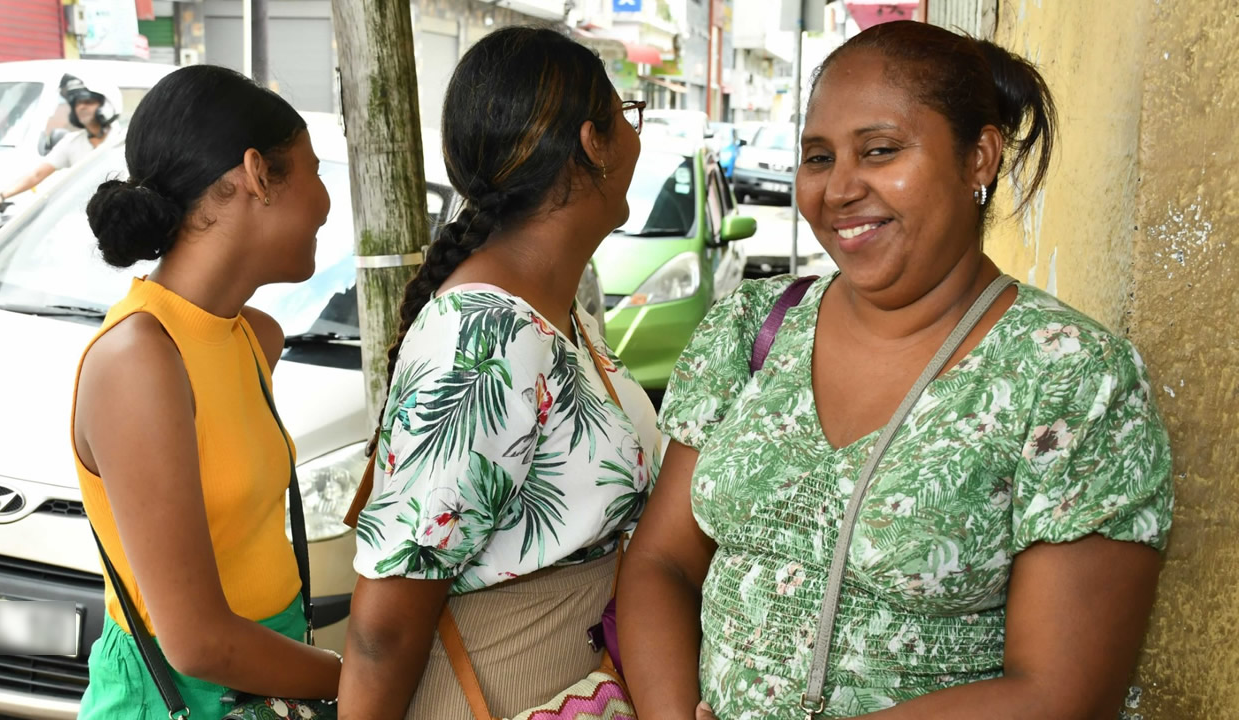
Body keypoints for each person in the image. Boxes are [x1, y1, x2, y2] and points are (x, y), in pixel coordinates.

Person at [618, 20, 1173, 720]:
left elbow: (1061, 693)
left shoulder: (1071, 379)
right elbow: (661, 563)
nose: (840, 188)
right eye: (818, 158)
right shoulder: (752, 328)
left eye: (879, 151)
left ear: (979, 159)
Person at [338, 27, 658, 720]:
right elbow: (384, 624)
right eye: (625, 114)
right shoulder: (481, 335)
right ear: (592, 142)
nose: (637, 136)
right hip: (499, 695)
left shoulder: (549, 308)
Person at [72, 65, 339, 718]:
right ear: (258, 174)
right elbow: (196, 641)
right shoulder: (140, 361)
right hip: (179, 698)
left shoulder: (254, 336)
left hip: (267, 683)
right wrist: (362, 674)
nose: (328, 202)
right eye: (314, 169)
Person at [0, 75, 120, 213]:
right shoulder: (72, 143)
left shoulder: (123, 139)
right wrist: (1, 196)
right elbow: (37, 174)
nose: (81, 107)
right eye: (77, 103)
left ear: (106, 104)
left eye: (88, 101)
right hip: (89, 213)